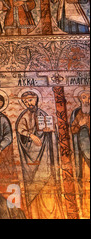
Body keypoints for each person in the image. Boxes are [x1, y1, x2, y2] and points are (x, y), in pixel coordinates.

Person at [15, 90, 64, 219]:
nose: (28, 103)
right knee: (33, 185)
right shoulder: (24, 116)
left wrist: (49, 132)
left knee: (48, 181)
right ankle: (35, 214)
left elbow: (50, 132)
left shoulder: (43, 114)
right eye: (25, 102)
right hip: (31, 156)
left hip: (45, 155)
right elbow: (20, 130)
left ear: (36, 99)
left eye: (30, 100)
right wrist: (30, 135)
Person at [70, 89, 90, 218]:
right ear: (80, 99)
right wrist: (80, 125)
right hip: (82, 152)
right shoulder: (76, 112)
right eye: (84, 97)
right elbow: (72, 129)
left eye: (89, 98)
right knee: (84, 179)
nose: (87, 100)